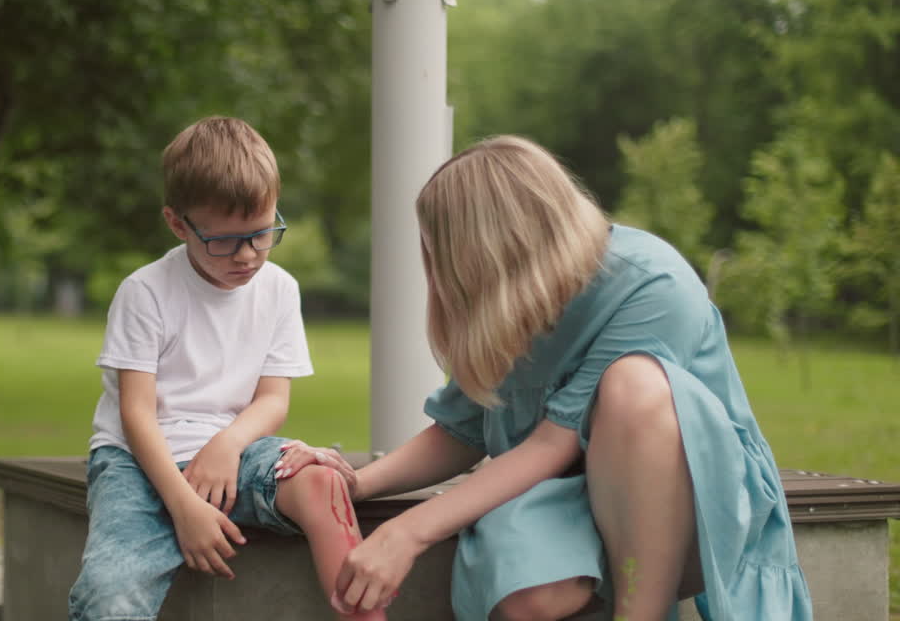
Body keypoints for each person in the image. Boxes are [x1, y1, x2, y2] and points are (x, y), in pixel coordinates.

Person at [280, 136, 813, 620]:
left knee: (632, 384)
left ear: (488, 250)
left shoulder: (651, 283)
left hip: (684, 492)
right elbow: (461, 430)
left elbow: (554, 444)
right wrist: (356, 483)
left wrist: (408, 532)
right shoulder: (514, 305)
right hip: (569, 492)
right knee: (527, 599)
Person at [68, 116, 383, 621]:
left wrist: (226, 445)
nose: (248, 256)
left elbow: (273, 400)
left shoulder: (279, 289)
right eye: (225, 241)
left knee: (321, 480)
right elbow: (136, 414)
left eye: (262, 234)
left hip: (236, 449)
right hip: (139, 462)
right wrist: (184, 506)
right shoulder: (145, 292)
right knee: (109, 595)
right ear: (178, 224)